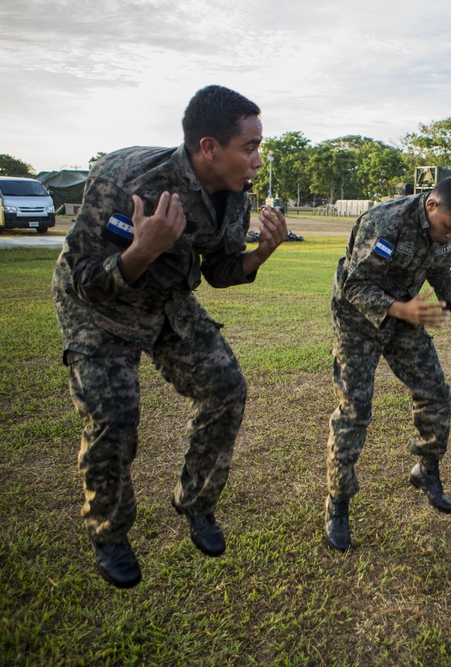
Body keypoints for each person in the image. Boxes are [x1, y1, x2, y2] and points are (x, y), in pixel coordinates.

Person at [52, 85, 289, 588]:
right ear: (210, 148)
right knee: (113, 417)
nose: (257, 158)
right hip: (99, 306)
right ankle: (110, 533)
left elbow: (222, 269)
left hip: (165, 301)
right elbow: (84, 279)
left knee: (226, 388)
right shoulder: (125, 182)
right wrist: (141, 251)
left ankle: (196, 503)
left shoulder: (234, 195)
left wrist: (262, 253)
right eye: (249, 146)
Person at [324, 176, 451, 551]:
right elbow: (353, 285)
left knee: (435, 393)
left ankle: (425, 468)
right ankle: (339, 501)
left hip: (405, 315)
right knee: (355, 411)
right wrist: (403, 309)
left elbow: (440, 268)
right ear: (432, 205)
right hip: (358, 319)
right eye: (448, 227)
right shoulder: (385, 222)